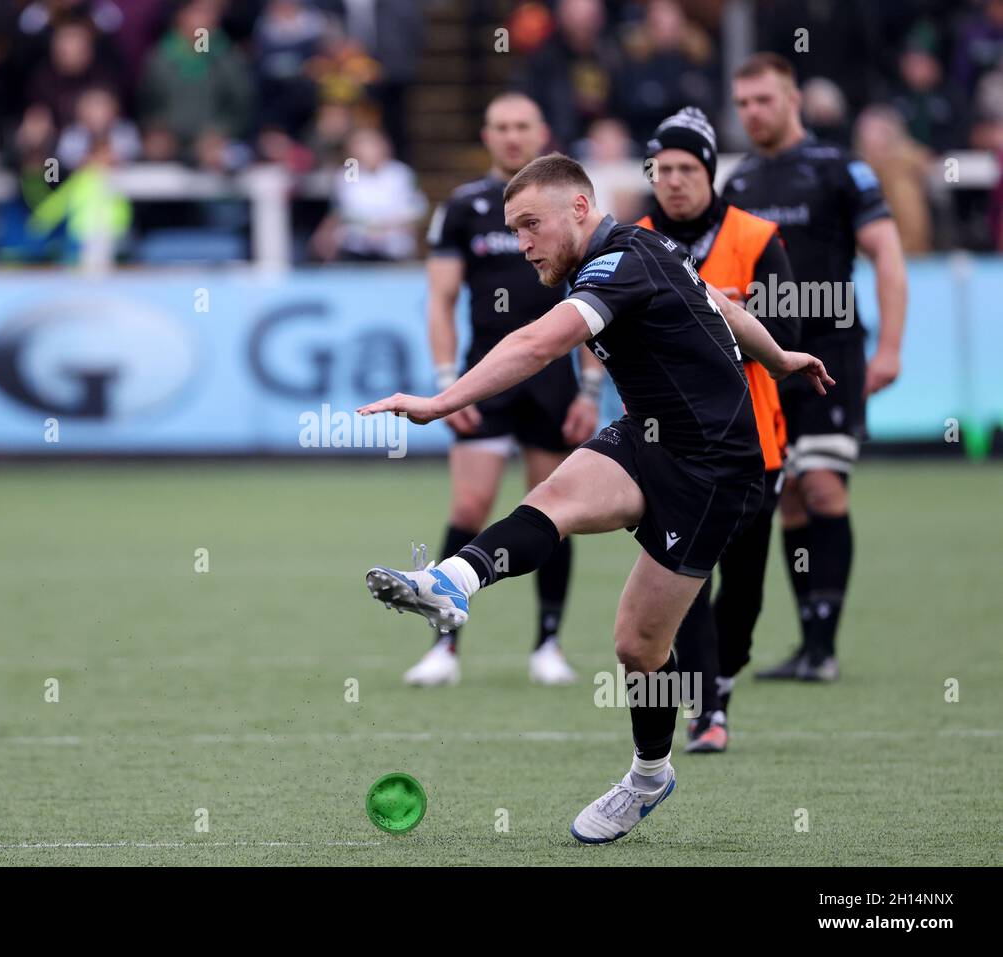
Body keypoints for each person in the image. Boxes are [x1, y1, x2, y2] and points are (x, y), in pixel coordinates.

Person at [357, 153, 832, 843]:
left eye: (531, 225)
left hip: (716, 471)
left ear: (580, 208)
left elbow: (538, 343)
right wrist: (779, 357)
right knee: (555, 496)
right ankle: (450, 581)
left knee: (638, 647)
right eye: (514, 230)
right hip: (649, 437)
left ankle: (648, 775)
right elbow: (725, 306)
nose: (522, 245)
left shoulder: (620, 262)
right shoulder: (646, 246)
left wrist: (441, 401)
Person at [403, 92, 601, 687]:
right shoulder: (463, 207)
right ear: (486, 136)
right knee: (469, 509)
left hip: (555, 381)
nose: (512, 136)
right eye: (501, 127)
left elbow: (595, 300)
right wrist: (447, 383)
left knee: (553, 508)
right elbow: (440, 300)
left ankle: (548, 645)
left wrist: (590, 389)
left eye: (522, 126)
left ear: (541, 131)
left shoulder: (567, 205)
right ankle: (444, 647)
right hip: (484, 378)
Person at [723, 53, 907, 681]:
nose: (753, 113)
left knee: (823, 483)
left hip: (832, 353)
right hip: (767, 360)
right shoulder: (740, 182)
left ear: (793, 99)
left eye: (763, 100)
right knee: (791, 496)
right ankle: (809, 643)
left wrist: (890, 347)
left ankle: (824, 649)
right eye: (743, 103)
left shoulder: (839, 169)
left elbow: (887, 254)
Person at [637, 107, 797, 753]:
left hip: (753, 442)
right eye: (661, 169)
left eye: (686, 167)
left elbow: (788, 332)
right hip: (671, 444)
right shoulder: (633, 239)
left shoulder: (755, 237)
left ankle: (724, 680)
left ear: (709, 171)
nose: (673, 180)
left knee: (745, 589)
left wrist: (717, 315)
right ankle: (707, 707)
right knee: (686, 576)